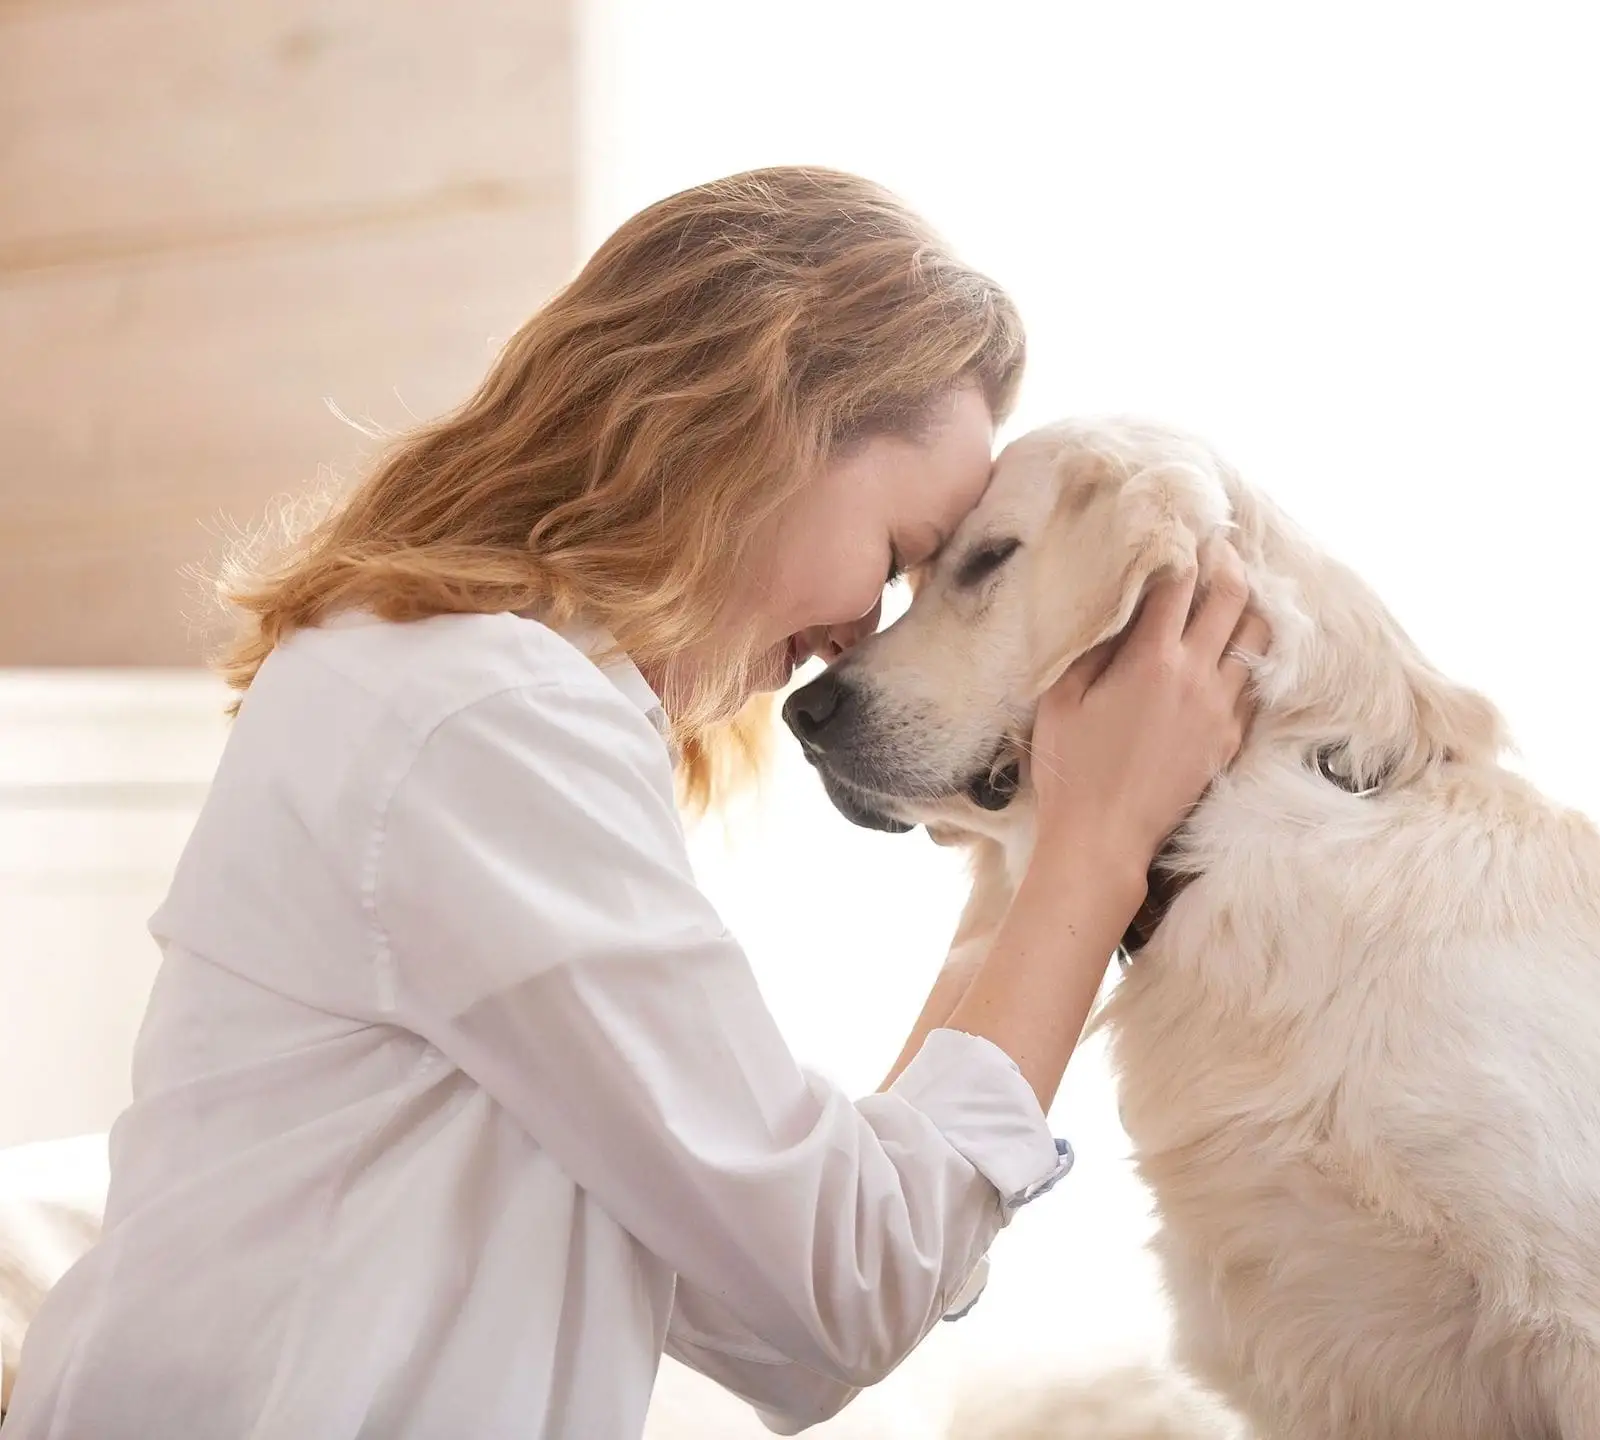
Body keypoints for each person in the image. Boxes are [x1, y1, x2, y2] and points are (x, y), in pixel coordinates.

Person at [1, 167, 1265, 1438]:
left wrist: (1034, 851)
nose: (857, 638)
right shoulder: (481, 715)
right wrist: (1093, 857)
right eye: (894, 557)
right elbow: (841, 1288)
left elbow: (786, 1315)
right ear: (757, 428)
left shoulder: (457, 689)